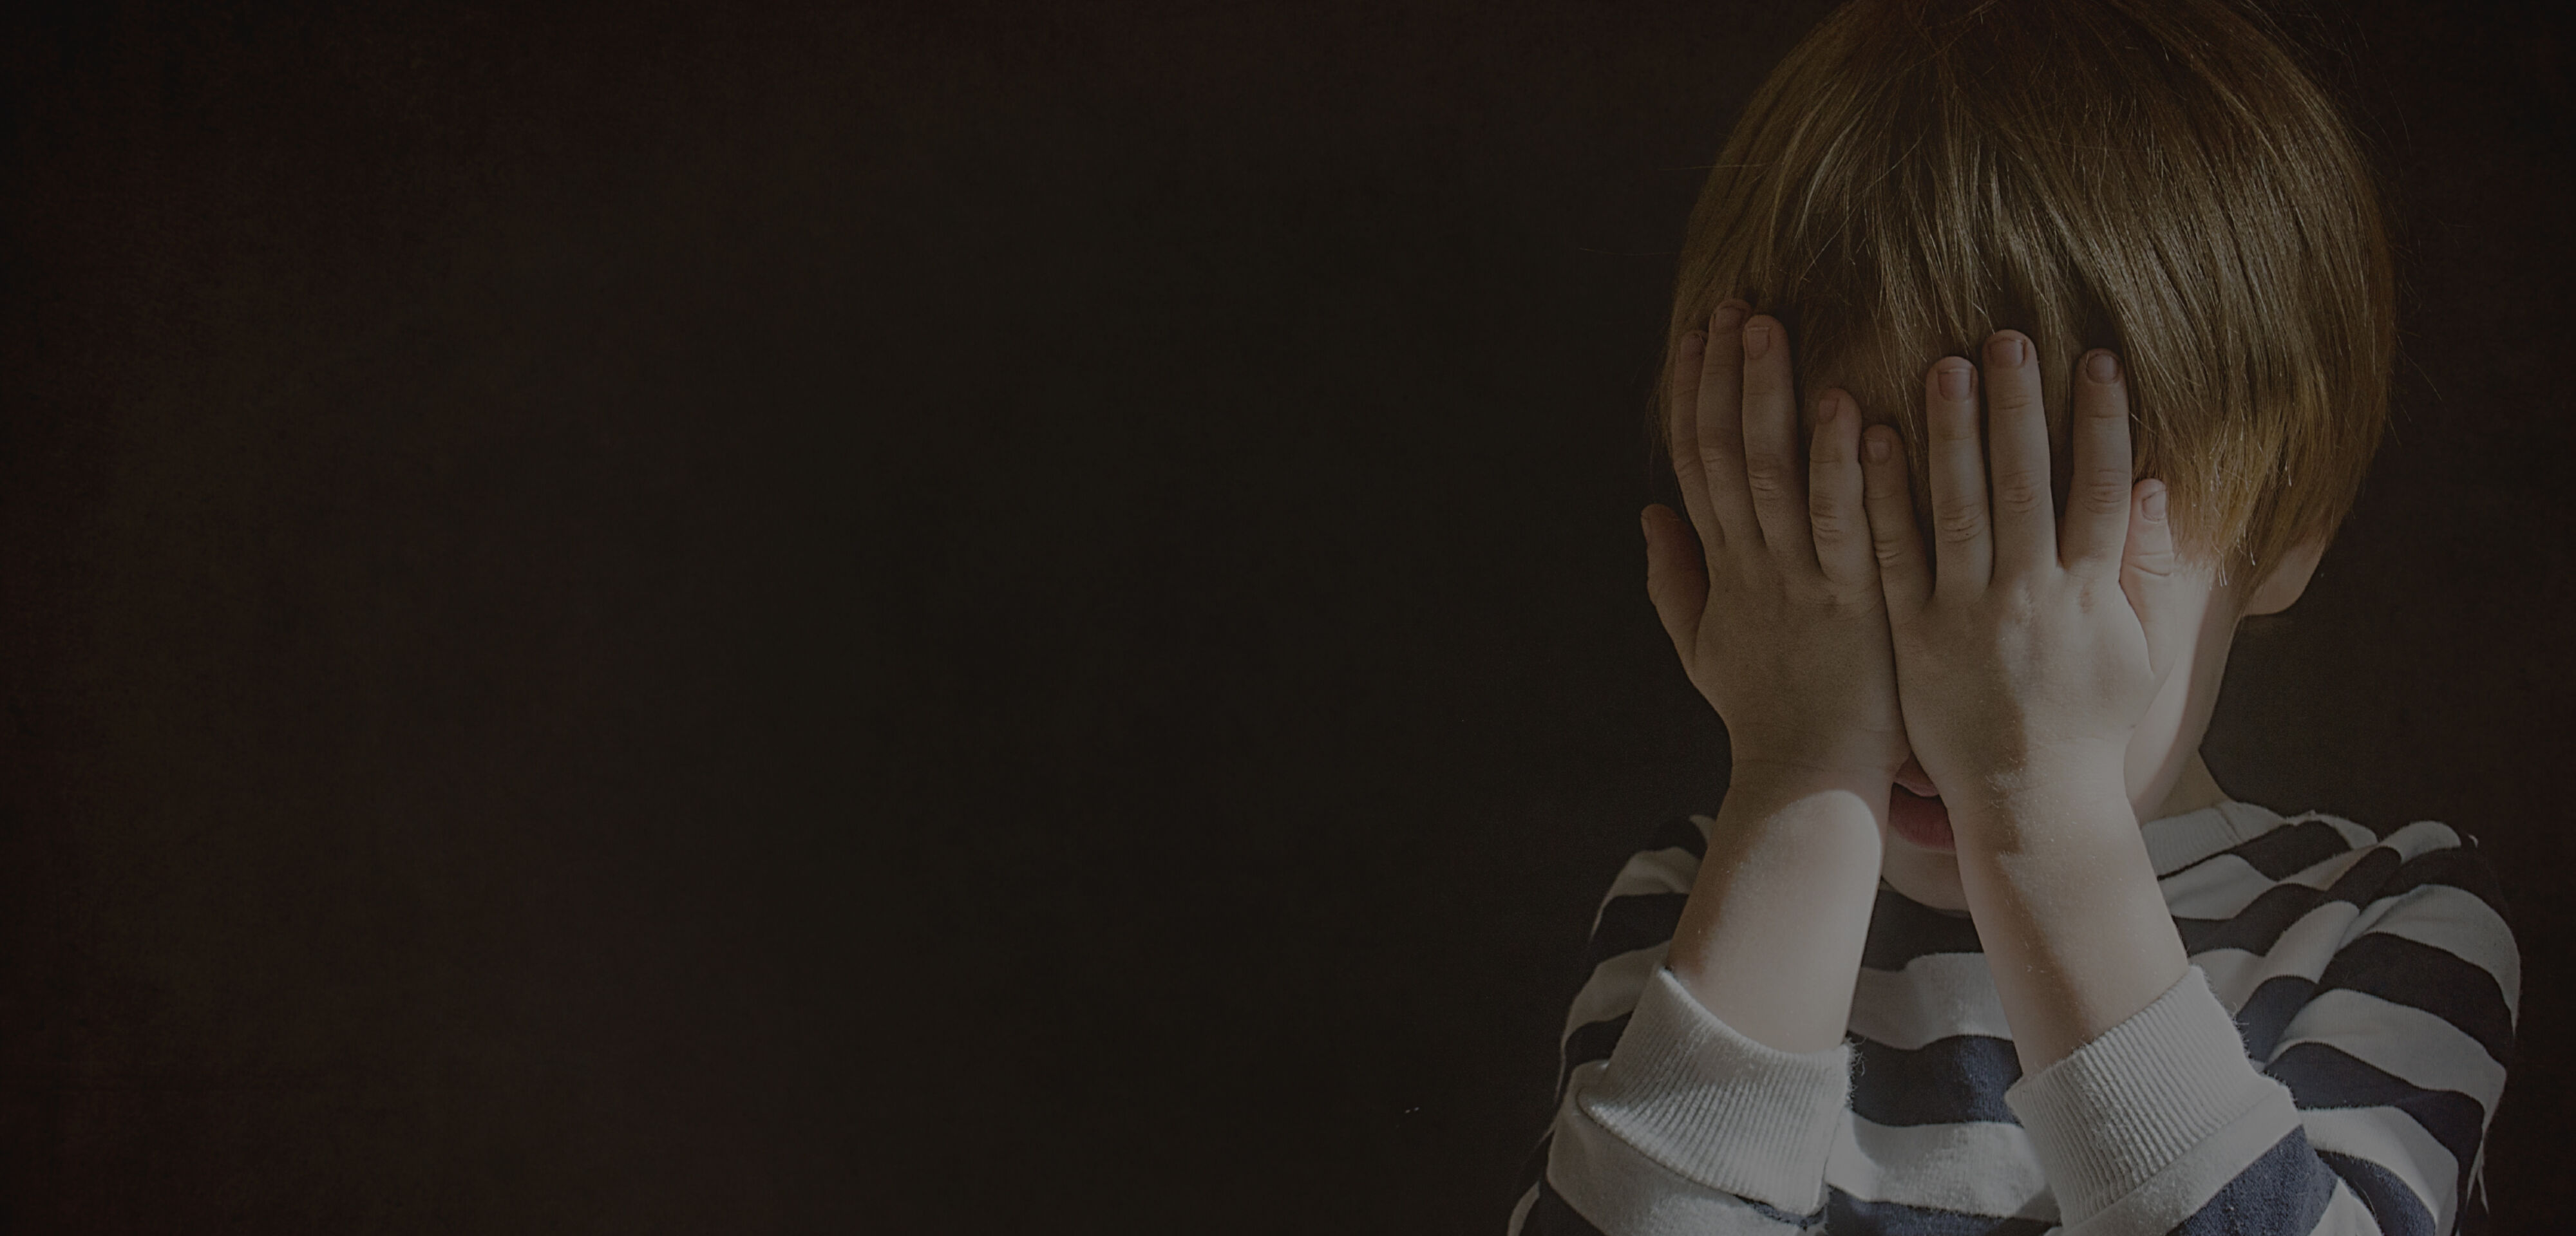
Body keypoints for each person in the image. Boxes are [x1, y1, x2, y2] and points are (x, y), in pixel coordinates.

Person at [1510, 1, 2518, 1233]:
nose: (1953, 649)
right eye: (1845, 544)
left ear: (2284, 533)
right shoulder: (1695, 904)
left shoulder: (2386, 925)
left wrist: (2044, 818)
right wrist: (1801, 782)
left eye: (2033, 551)